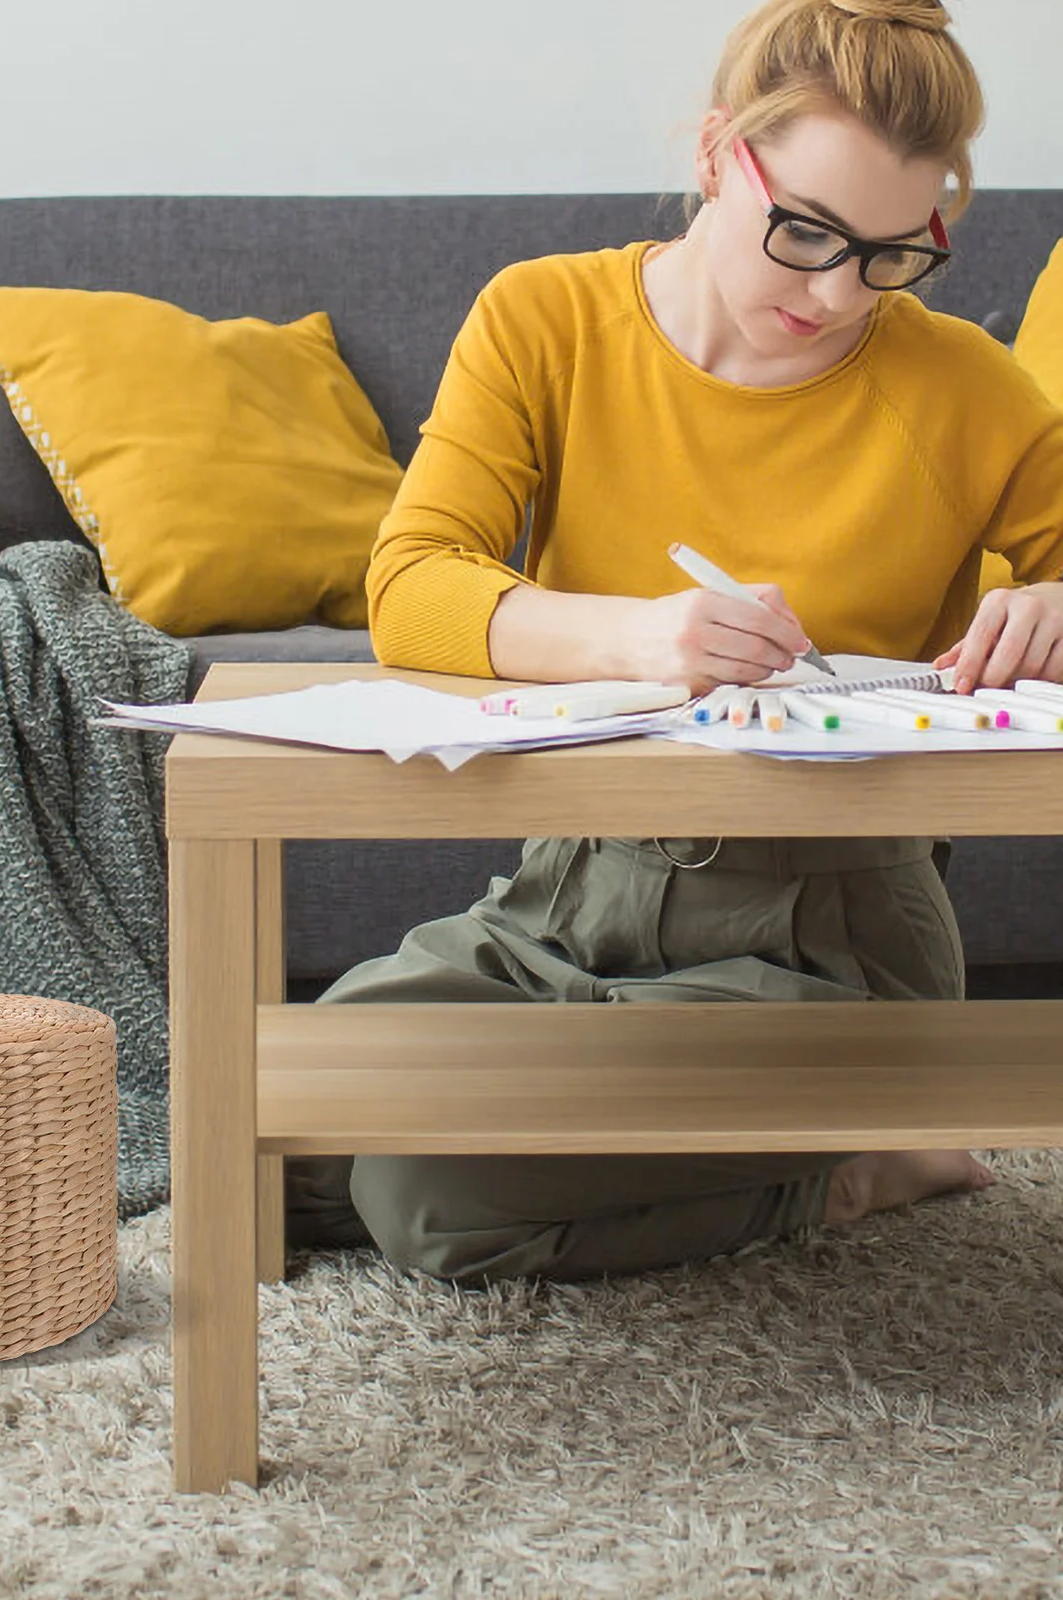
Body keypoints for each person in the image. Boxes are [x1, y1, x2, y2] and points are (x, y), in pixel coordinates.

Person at [285, 0, 1063, 1284]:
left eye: (886, 255)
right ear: (715, 156)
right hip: (563, 898)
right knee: (281, 1135)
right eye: (803, 232)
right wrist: (638, 636)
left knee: (428, 1189)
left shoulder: (964, 388)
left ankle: (853, 1166)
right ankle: (738, 1138)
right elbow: (410, 586)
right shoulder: (544, 318)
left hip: (825, 939)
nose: (831, 293)